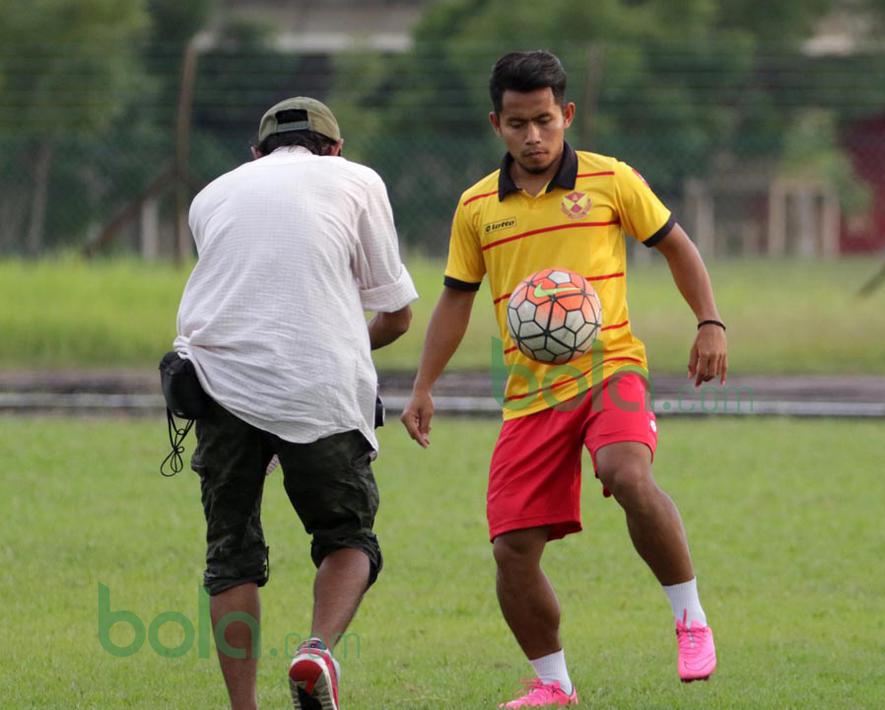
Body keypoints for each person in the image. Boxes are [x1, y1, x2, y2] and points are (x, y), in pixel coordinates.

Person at [400, 50, 725, 708]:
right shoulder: (476, 207)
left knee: (626, 474)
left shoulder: (610, 180)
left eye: (544, 120)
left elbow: (676, 245)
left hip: (611, 369)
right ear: (496, 124)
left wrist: (709, 322)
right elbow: (456, 298)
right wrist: (423, 385)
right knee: (512, 550)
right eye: (518, 123)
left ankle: (690, 619)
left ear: (566, 114)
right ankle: (554, 685)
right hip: (528, 397)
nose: (533, 136)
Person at [174, 96, 417, 710]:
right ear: (335, 149)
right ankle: (316, 652)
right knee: (347, 537)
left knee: (230, 556)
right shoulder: (358, 180)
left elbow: (245, 295)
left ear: (255, 153)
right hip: (320, 387)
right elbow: (396, 314)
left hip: (218, 383)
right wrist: (337, 345)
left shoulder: (210, 195)